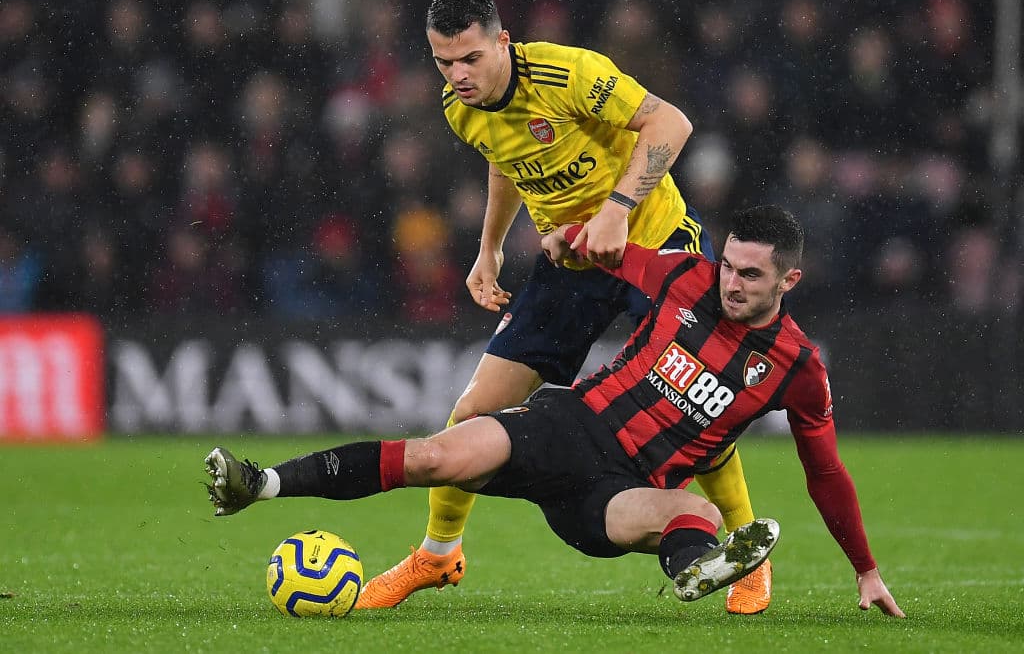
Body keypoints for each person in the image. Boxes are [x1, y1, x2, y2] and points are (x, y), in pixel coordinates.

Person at [204, 205, 904, 618]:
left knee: (696, 515)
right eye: (729, 266)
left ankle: (697, 566)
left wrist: (866, 569)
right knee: (436, 454)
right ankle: (259, 483)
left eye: (751, 275)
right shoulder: (685, 276)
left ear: (790, 280)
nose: (732, 283)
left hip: (620, 495)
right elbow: (610, 253)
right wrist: (570, 238)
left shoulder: (797, 365)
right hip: (564, 426)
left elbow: (826, 475)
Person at [357, 0, 772, 615]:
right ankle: (438, 554)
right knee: (474, 409)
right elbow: (505, 155)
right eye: (444, 62)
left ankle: (747, 552)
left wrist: (617, 209)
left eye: (470, 58)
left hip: (656, 246)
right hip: (570, 262)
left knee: (694, 400)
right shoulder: (459, 107)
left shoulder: (568, 72)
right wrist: (489, 246)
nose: (458, 75)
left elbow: (671, 122)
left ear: (502, 41)